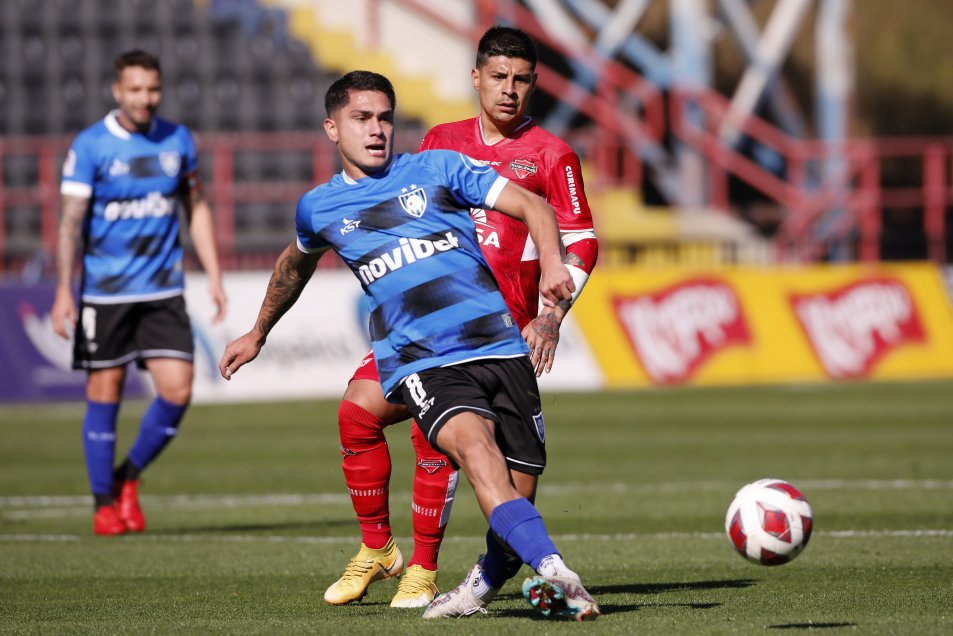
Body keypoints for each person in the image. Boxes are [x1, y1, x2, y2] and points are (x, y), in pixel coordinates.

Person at [218, 70, 600, 621]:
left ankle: (480, 588)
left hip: (499, 346)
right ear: (332, 128)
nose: (376, 130)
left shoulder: (437, 167)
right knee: (475, 453)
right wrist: (258, 331)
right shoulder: (319, 208)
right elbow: (292, 267)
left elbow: (537, 209)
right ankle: (558, 574)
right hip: (424, 361)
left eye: (384, 118)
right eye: (361, 118)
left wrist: (548, 267)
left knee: (518, 494)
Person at [325, 25, 598, 611]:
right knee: (359, 410)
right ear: (476, 77)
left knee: (507, 482)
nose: (509, 91)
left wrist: (551, 314)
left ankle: (451, 576)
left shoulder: (553, 155)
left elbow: (583, 240)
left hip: (497, 332)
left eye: (521, 80)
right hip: (421, 324)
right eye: (498, 77)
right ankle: (387, 552)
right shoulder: (441, 142)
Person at [51, 50, 227, 536]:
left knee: (178, 390)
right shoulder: (90, 146)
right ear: (117, 91)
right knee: (104, 391)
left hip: (163, 290)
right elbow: (70, 222)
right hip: (104, 295)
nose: (144, 99)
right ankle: (103, 503)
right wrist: (64, 290)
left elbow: (197, 206)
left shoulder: (177, 139)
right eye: (135, 90)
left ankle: (127, 477)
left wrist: (213, 273)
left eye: (152, 89)